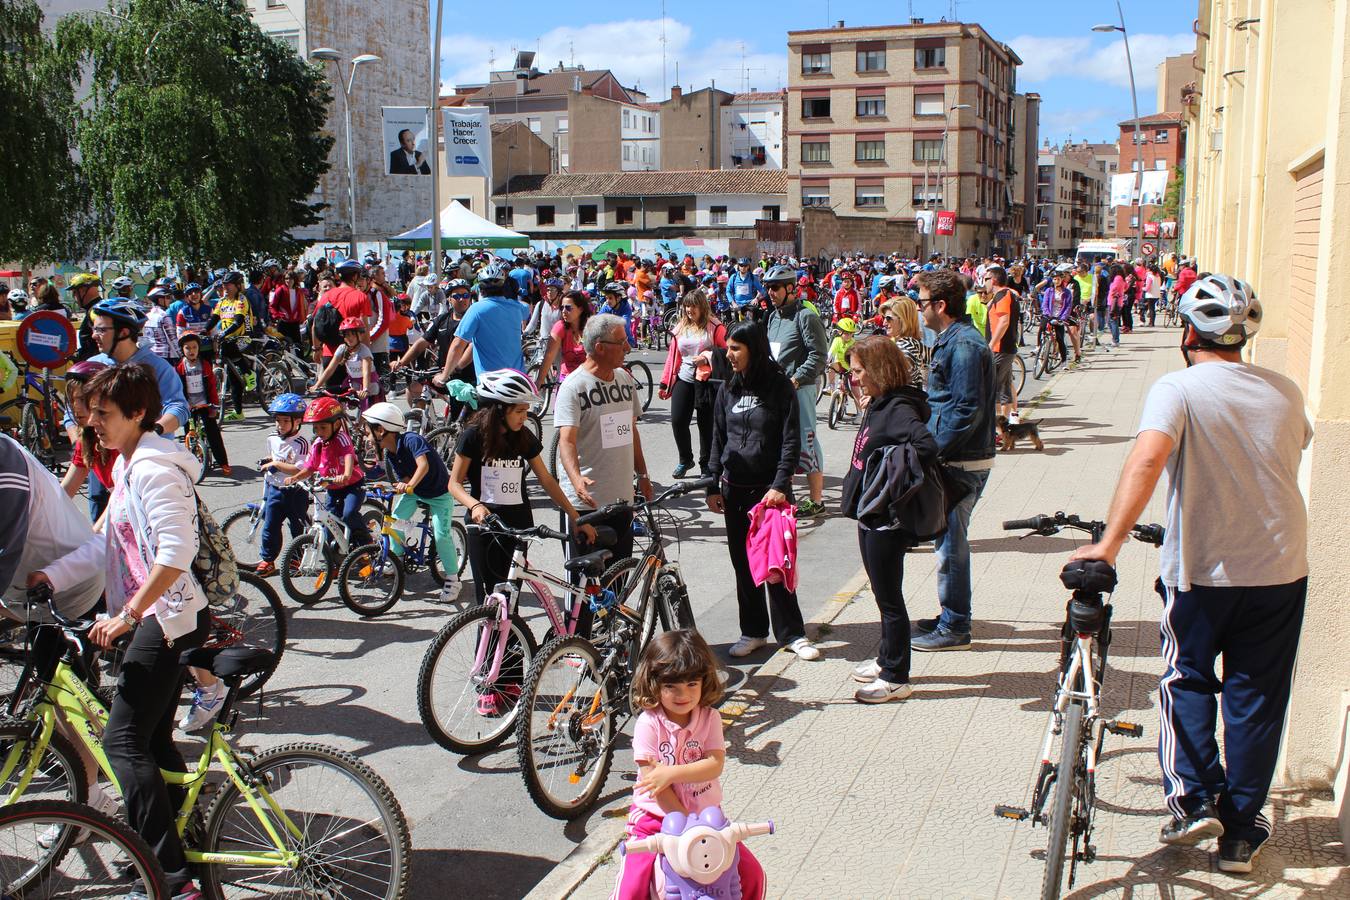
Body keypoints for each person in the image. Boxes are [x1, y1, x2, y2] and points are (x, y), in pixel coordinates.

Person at [1069, 275, 1307, 875]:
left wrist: (1109, 545)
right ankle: (1241, 834)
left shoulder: (1178, 388)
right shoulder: (1285, 389)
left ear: (1185, 332)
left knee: (1187, 678)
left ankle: (1196, 798)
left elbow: (1148, 459)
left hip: (1203, 569)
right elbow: (1291, 449)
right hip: (1280, 566)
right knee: (1256, 698)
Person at [32, 364, 208, 897]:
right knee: (152, 740)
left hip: (166, 618)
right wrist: (50, 575)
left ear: (137, 413)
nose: (94, 425)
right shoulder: (131, 463)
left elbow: (178, 554)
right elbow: (102, 540)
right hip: (159, 615)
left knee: (122, 742)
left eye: (104, 415)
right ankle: (184, 832)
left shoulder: (154, 468)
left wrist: (128, 615)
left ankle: (170, 879)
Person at [611, 629, 765, 900]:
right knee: (632, 886)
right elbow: (656, 786)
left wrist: (671, 773)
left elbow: (714, 764)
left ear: (704, 681)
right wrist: (683, 825)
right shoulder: (649, 724)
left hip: (708, 819)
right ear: (655, 683)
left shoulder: (710, 719)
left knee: (752, 874)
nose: (683, 694)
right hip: (655, 819)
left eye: (692, 684)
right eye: (672, 686)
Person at [706, 320, 818, 662]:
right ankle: (753, 631)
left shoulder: (780, 387)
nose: (730, 354)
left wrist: (780, 485)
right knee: (743, 565)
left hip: (769, 494)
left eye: (736, 348)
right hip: (734, 490)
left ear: (753, 349)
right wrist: (713, 482)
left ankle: (792, 634)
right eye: (728, 348)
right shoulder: (728, 388)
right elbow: (718, 436)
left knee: (775, 565)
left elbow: (790, 439)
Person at [841, 337, 937, 703]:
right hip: (869, 515)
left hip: (885, 520)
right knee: (883, 597)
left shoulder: (898, 408)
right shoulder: (881, 402)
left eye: (859, 371)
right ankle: (886, 659)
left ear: (879, 370)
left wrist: (889, 475)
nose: (854, 378)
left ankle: (897, 677)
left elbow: (926, 446)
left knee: (890, 598)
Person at [448, 371, 595, 602]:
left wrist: (576, 518)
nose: (524, 417)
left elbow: (547, 480)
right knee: (487, 601)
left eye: (526, 411)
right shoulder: (472, 436)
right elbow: (454, 484)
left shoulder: (523, 436)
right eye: (519, 411)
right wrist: (474, 505)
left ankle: (514, 639)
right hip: (484, 526)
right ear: (498, 410)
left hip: (518, 527)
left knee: (509, 601)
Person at [910, 269, 994, 652]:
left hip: (962, 460)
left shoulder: (963, 345)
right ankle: (951, 614)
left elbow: (964, 408)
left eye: (922, 301)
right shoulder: (952, 339)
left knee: (950, 545)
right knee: (948, 540)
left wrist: (932, 450)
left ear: (940, 306)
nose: (918, 308)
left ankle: (956, 625)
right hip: (957, 455)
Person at [555, 314, 653, 619]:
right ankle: (578, 650)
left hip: (621, 501)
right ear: (599, 347)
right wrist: (576, 480)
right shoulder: (574, 387)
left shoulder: (624, 379)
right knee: (585, 590)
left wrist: (644, 476)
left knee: (618, 582)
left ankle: (615, 650)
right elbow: (566, 440)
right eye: (621, 342)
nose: (628, 346)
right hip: (589, 507)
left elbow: (631, 430)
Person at [360, 402, 463, 603]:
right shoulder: (390, 454)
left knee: (441, 535)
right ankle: (397, 558)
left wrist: (409, 485)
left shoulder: (411, 439)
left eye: (368, 431)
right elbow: (405, 479)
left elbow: (422, 465)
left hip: (440, 493)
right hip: (416, 492)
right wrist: (397, 486)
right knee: (393, 522)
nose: (367, 437)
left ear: (381, 429)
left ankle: (452, 578)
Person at [763, 263, 829, 518]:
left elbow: (819, 355)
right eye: (768, 287)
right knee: (781, 441)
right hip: (776, 389)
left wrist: (797, 379)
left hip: (800, 389)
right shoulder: (773, 317)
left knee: (806, 440)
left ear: (791, 288)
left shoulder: (806, 316)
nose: (771, 292)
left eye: (776, 287)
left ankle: (816, 500)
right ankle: (784, 493)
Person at [282, 395, 372, 548]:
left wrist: (346, 474)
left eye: (323, 427)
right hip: (332, 488)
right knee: (330, 521)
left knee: (348, 514)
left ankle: (366, 544)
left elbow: (349, 455)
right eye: (316, 428)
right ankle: (335, 557)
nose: (319, 432)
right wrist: (295, 478)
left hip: (352, 486)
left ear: (336, 424)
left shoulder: (341, 439)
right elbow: (309, 467)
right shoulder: (317, 444)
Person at [659, 289, 726, 479]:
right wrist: (665, 383)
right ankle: (685, 459)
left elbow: (727, 352)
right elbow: (673, 357)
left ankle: (707, 465)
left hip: (706, 381)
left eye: (693, 305)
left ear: (702, 306)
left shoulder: (715, 326)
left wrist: (707, 357)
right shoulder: (681, 327)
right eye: (687, 306)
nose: (689, 309)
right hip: (684, 378)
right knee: (678, 421)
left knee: (706, 425)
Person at [434, 261, 530, 384]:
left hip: (490, 382)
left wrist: (444, 376)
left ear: (481, 289)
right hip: (516, 378)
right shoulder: (517, 308)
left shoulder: (476, 309)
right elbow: (527, 307)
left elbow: (458, 345)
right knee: (521, 404)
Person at [254, 394, 311, 577]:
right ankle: (268, 560)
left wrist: (276, 465)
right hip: (274, 489)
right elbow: (276, 456)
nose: (280, 425)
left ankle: (297, 558)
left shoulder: (301, 443)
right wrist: (269, 460)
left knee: (297, 527)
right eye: (278, 421)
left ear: (297, 421)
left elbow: (298, 469)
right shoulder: (272, 437)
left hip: (295, 491)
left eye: (285, 421)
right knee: (270, 526)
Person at [175, 332, 231, 476]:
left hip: (205, 405)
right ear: (182, 350)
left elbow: (212, 386)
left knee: (213, 433)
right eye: (188, 348)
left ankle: (223, 462)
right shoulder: (179, 368)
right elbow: (177, 389)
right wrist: (182, 405)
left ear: (199, 348)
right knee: (189, 434)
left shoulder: (205, 365)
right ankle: (190, 464)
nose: (191, 351)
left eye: (194, 347)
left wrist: (214, 405)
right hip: (189, 406)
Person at [209, 272, 253, 422]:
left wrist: (224, 333)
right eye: (224, 285)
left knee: (229, 346)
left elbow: (238, 321)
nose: (225, 287)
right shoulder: (222, 302)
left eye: (229, 285)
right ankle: (238, 412)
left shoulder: (241, 300)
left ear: (237, 286)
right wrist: (202, 331)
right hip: (228, 339)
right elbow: (214, 319)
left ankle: (249, 373)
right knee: (234, 379)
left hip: (244, 336)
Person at [313, 317, 377, 408]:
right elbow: (330, 369)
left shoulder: (364, 350)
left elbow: (366, 373)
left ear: (360, 335)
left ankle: (361, 422)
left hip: (369, 384)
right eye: (346, 335)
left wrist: (365, 389)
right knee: (341, 404)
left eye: (353, 335)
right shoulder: (342, 348)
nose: (349, 338)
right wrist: (317, 385)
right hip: (354, 384)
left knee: (366, 412)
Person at [985, 267, 1021, 423]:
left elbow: (1004, 321)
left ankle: (997, 428)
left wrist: (991, 344)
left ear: (993, 280)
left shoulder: (1003, 295)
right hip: (1005, 348)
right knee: (1004, 387)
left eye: (986, 278)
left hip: (1000, 348)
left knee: (994, 389)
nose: (983, 282)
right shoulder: (1002, 295)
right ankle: (1005, 426)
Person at [535, 290, 591, 390]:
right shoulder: (560, 327)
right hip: (567, 380)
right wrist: (539, 380)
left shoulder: (592, 327)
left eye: (568, 308)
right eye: (562, 307)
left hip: (588, 381)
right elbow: (549, 355)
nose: (564, 311)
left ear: (581, 309)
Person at [826, 316, 863, 411]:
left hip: (851, 368)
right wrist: (825, 362)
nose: (848, 336)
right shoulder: (837, 340)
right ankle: (831, 386)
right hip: (841, 365)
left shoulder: (853, 343)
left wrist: (854, 370)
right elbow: (830, 353)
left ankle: (859, 413)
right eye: (846, 333)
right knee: (831, 367)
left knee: (855, 392)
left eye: (851, 334)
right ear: (839, 332)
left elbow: (857, 359)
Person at [270, 269, 308, 348]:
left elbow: (303, 306)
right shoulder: (280, 290)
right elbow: (272, 306)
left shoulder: (299, 291)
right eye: (286, 278)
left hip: (295, 322)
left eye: (290, 278)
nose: (288, 280)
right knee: (283, 345)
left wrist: (303, 317)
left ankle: (298, 360)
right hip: (283, 323)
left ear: (294, 279)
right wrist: (278, 315)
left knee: (298, 345)